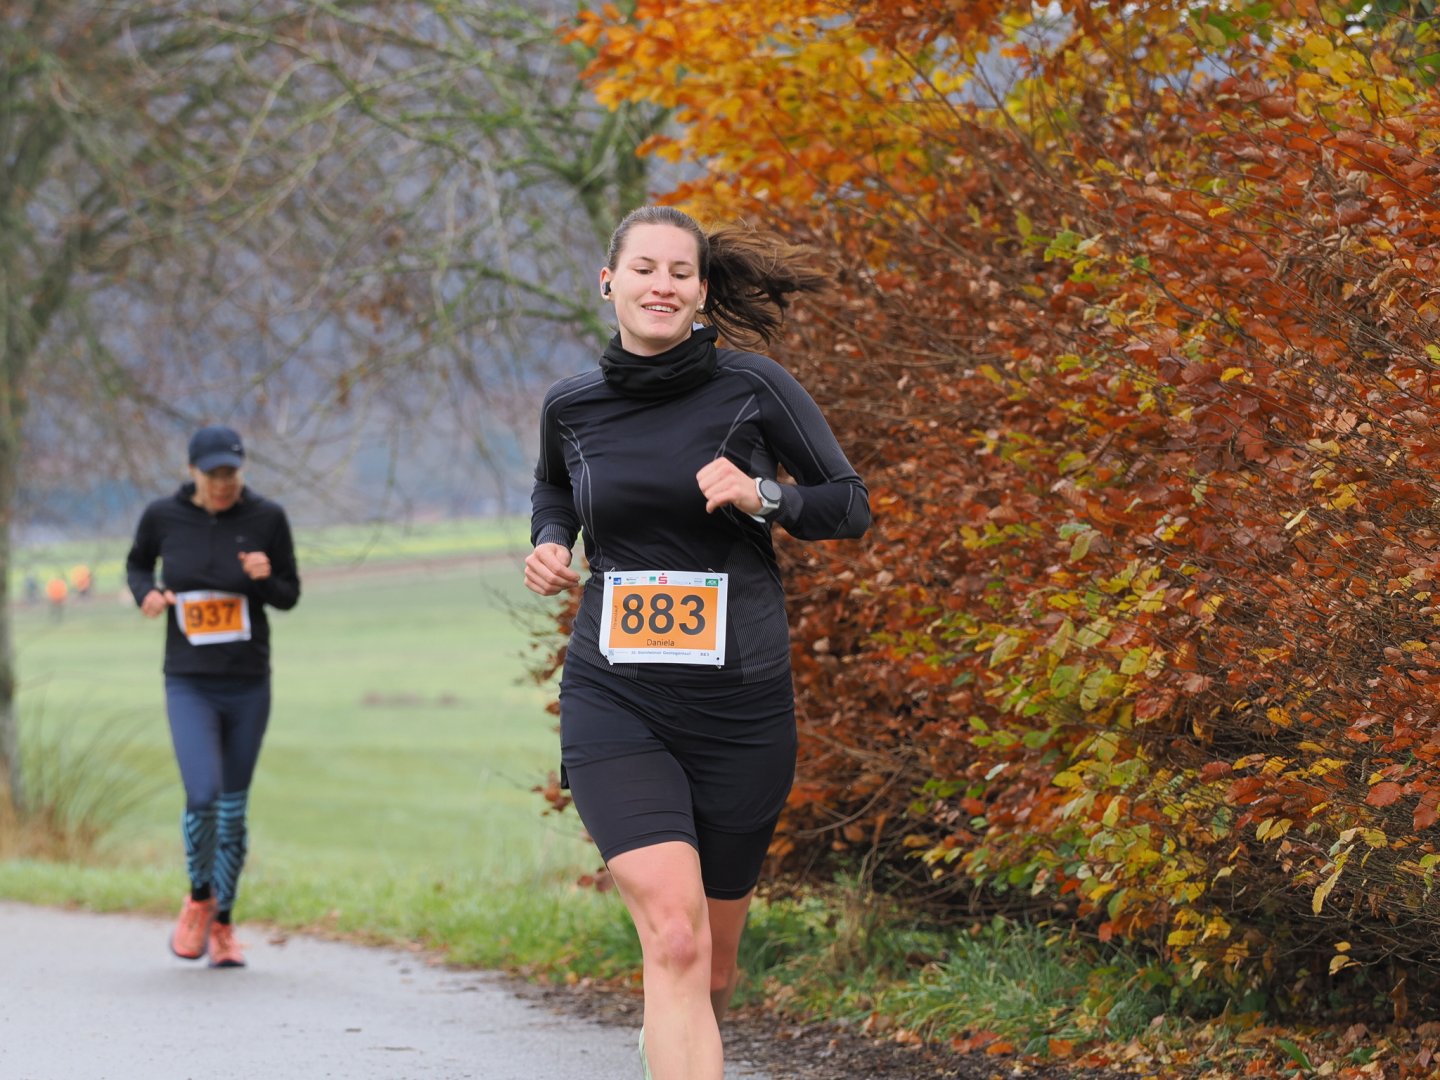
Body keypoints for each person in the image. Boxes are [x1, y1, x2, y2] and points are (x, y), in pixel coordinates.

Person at [524, 206, 871, 1080]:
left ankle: (673, 1044)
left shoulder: (752, 386)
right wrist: (552, 542)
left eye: (680, 272)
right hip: (616, 696)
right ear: (609, 282)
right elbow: (554, 489)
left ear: (703, 291)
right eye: (644, 269)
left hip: (739, 710)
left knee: (711, 969)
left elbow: (849, 504)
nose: (661, 285)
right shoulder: (570, 405)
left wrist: (766, 496)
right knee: (675, 938)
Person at [126, 425, 300, 969]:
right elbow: (137, 564)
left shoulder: (267, 518)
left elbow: (289, 594)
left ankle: (223, 923)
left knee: (233, 810)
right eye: (213, 474)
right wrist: (147, 593)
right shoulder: (163, 516)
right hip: (189, 682)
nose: (223, 482)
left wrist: (265, 578)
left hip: (248, 683)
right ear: (192, 472)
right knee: (202, 796)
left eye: (232, 472)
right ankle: (199, 896)